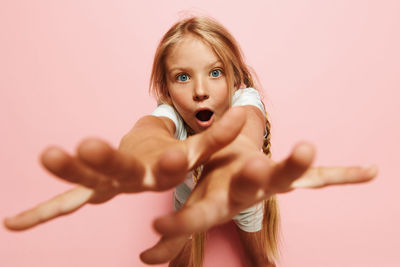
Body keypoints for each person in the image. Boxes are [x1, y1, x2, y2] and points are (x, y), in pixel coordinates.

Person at [4, 16, 377, 267]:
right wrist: (141, 156)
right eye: (183, 78)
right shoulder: (170, 114)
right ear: (166, 88)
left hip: (245, 194)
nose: (201, 91)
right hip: (187, 199)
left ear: (235, 78)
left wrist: (239, 156)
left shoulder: (245, 100)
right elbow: (146, 132)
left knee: (260, 260)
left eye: (215, 73)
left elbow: (248, 125)